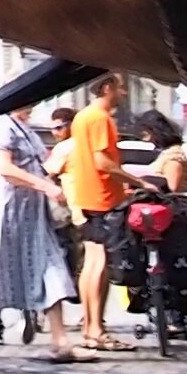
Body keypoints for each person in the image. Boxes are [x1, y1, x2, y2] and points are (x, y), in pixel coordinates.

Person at [0, 101, 79, 358]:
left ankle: (60, 339)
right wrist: (47, 187)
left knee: (51, 267)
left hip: (33, 214)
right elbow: (4, 168)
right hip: (7, 211)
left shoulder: (26, 128)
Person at [58, 92, 128, 351]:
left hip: (85, 198)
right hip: (102, 198)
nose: (124, 93)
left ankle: (90, 328)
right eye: (120, 87)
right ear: (107, 87)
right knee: (100, 263)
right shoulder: (100, 118)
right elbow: (102, 161)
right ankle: (96, 330)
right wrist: (136, 181)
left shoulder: (81, 119)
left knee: (90, 262)